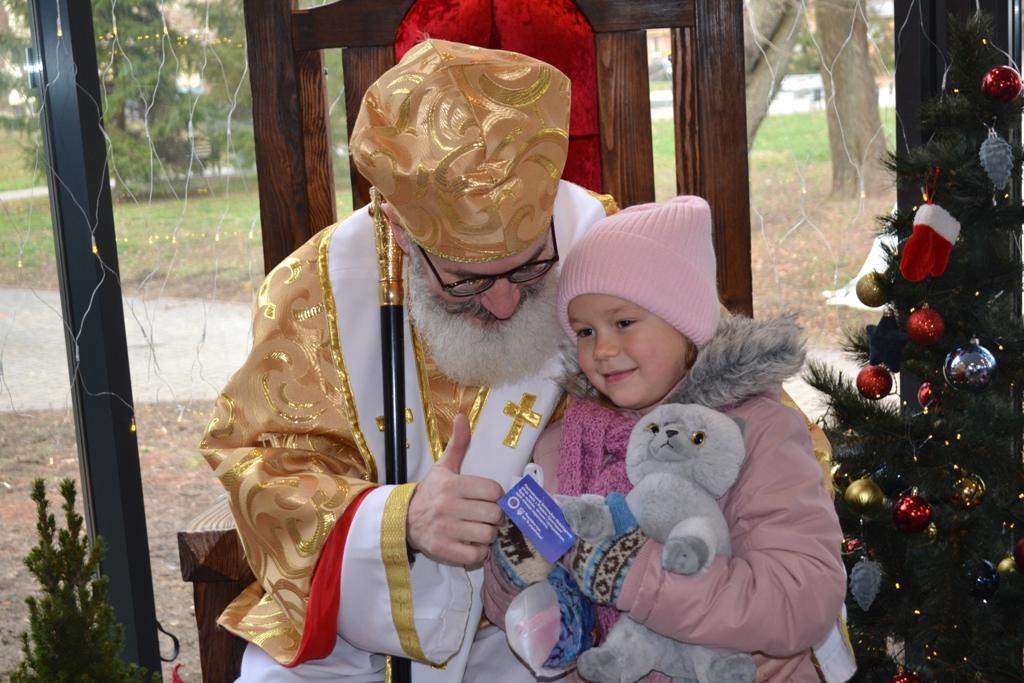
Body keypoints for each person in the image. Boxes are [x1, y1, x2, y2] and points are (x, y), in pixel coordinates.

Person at [200, 39, 618, 681]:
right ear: (397, 228)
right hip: (360, 631)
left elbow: (734, 409)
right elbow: (261, 464)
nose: (506, 305)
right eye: (467, 280)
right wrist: (396, 521)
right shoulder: (314, 292)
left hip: (563, 604)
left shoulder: (609, 246)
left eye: (533, 268)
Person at [483, 196, 852, 682]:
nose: (603, 350)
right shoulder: (563, 445)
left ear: (685, 322)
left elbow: (801, 595)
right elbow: (519, 615)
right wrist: (513, 571)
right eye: (585, 330)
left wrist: (636, 576)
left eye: (624, 322)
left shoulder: (754, 432)